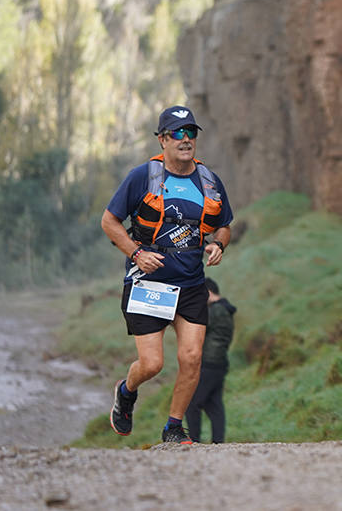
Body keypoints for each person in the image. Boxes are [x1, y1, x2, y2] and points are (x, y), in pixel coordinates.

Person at [101, 105, 233, 445]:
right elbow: (109, 222)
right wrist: (136, 253)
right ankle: (126, 390)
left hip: (191, 284)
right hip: (150, 283)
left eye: (191, 132)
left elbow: (224, 226)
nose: (186, 139)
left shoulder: (208, 181)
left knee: (192, 358)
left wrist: (218, 244)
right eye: (177, 133)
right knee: (152, 364)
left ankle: (174, 427)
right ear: (162, 139)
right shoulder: (142, 177)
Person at [185, 277, 236, 443]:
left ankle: (194, 441)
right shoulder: (224, 309)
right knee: (213, 405)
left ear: (207, 292)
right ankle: (218, 442)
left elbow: (196, 326)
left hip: (209, 362)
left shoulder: (216, 311)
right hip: (219, 363)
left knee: (191, 402)